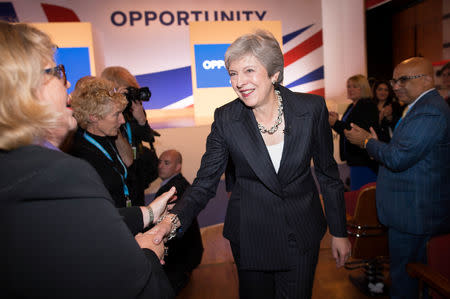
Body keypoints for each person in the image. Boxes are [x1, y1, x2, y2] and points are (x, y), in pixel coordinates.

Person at [149, 30, 351, 299]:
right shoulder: (226, 119)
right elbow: (204, 184)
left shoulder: (311, 109)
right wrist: (169, 224)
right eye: (233, 73)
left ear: (274, 73)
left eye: (249, 71)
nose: (239, 82)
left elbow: (328, 174)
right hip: (251, 236)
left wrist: (339, 232)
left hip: (301, 234)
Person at [0, 21, 175, 298]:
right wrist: (147, 252)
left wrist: (150, 213)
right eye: (57, 71)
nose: (67, 83)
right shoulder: (62, 173)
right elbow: (139, 283)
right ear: (26, 88)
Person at [344, 57, 450, 299]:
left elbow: (398, 158)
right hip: (411, 213)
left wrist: (367, 142)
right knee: (409, 278)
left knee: (406, 282)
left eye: (403, 79)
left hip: (415, 216)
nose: (395, 86)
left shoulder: (430, 111)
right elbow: (404, 153)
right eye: (394, 80)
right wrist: (378, 145)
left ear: (426, 80)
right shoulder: (420, 107)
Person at [69, 77, 135, 208]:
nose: (122, 120)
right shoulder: (81, 154)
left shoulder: (109, 139)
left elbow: (128, 160)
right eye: (116, 114)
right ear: (93, 116)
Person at [101, 66, 160, 206]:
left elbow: (148, 137)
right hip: (117, 167)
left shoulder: (134, 106)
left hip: (136, 168)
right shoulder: (106, 112)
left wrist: (141, 120)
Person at [155, 149, 204, 294]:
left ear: (178, 167)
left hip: (178, 261)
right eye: (160, 162)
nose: (160, 166)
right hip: (186, 257)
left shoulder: (173, 190)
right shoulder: (179, 184)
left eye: (166, 163)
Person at [328, 74, 380, 190]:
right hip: (355, 161)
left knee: (362, 200)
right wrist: (336, 121)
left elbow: (356, 131)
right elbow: (347, 127)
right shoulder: (352, 106)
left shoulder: (366, 105)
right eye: (348, 86)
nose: (350, 89)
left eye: (354, 86)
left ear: (363, 88)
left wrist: (335, 123)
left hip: (364, 162)